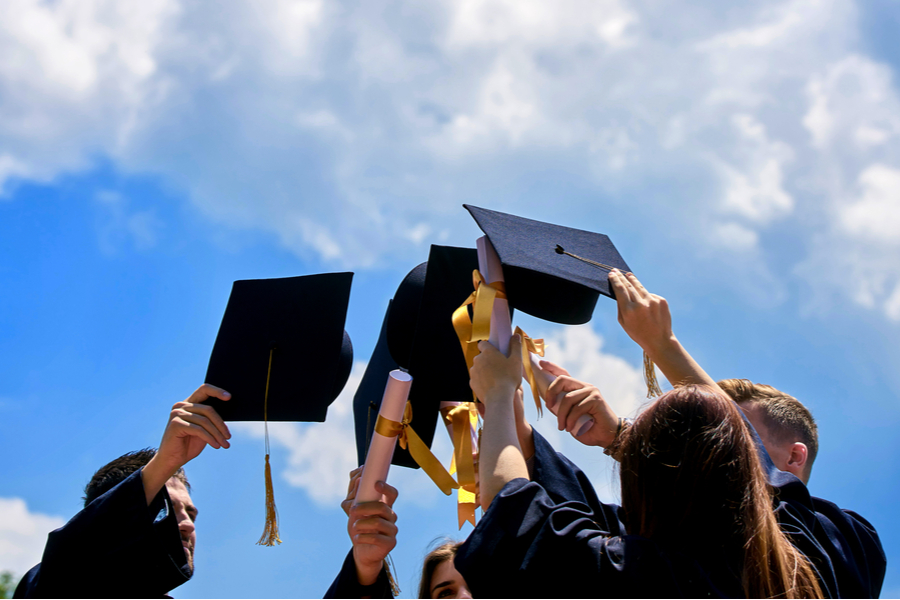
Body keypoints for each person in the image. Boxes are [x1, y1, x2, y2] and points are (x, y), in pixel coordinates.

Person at [459, 327, 823, 597]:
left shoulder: (647, 575)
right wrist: (618, 435)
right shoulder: (808, 567)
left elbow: (515, 512)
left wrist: (501, 394)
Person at [604, 269, 886, 598]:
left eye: (733, 430)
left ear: (794, 456)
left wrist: (663, 346)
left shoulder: (846, 542)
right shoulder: (683, 540)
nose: (718, 446)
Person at [14, 384, 232, 599]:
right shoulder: (58, 584)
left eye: (191, 514)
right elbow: (72, 554)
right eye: (165, 511)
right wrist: (166, 462)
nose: (187, 525)